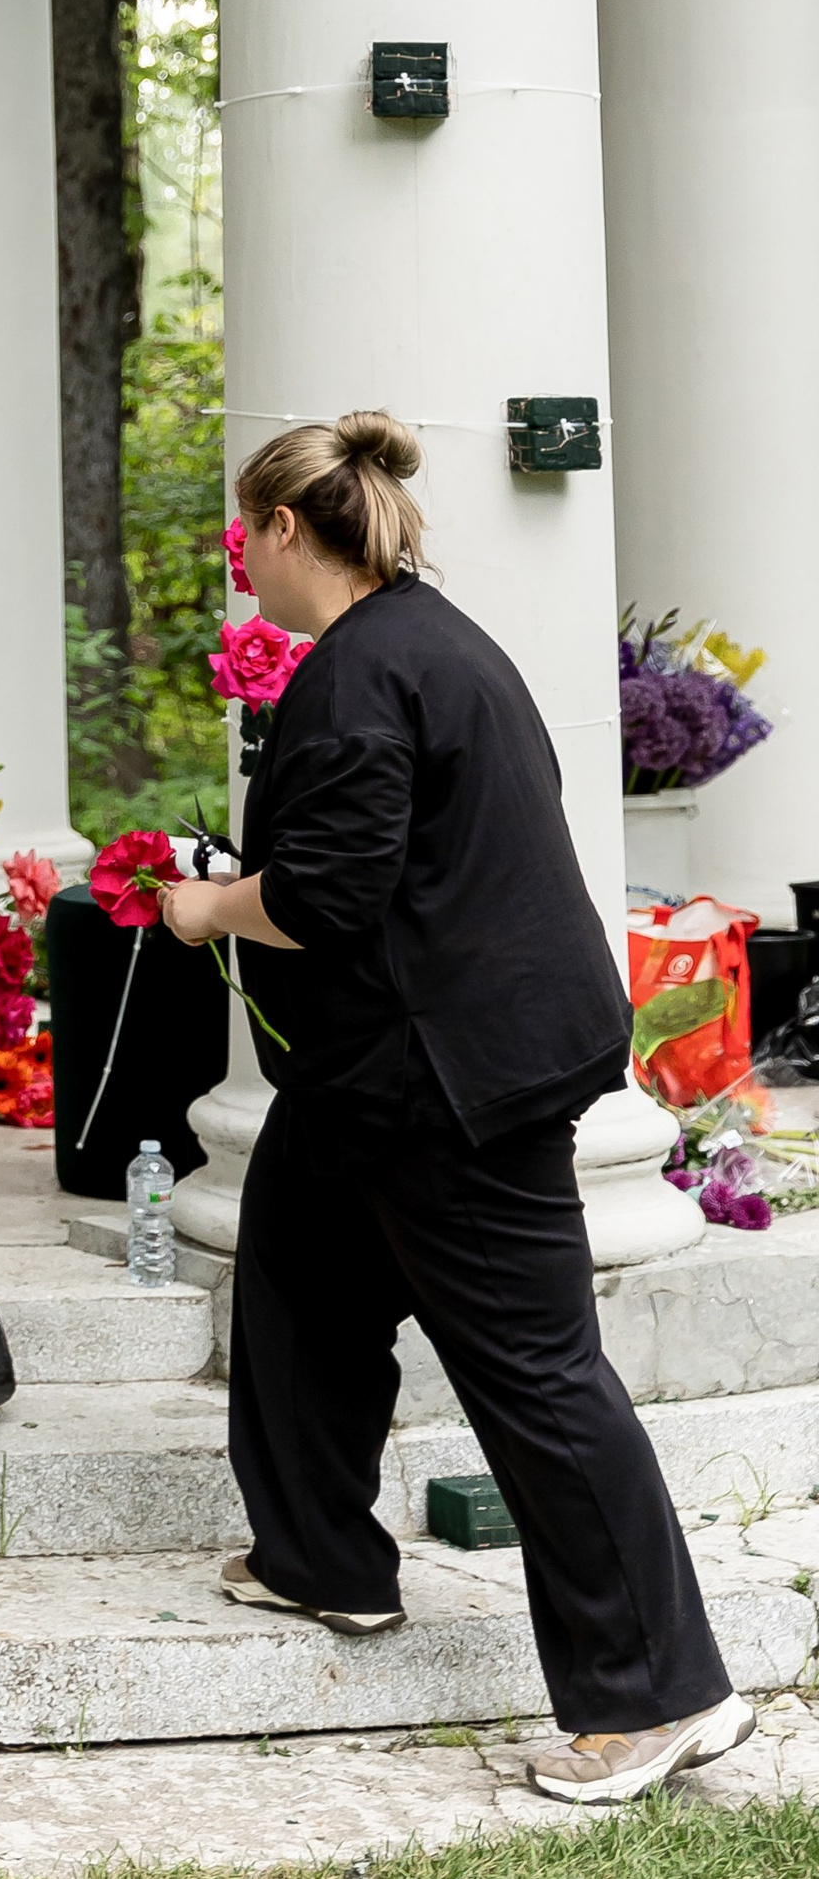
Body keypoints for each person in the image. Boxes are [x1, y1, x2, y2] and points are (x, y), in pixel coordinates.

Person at [162, 412, 749, 1808]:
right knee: (297, 1278)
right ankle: (321, 1557)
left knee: (539, 1382)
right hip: (377, 1071)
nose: (243, 562)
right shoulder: (430, 640)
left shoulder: (363, 677)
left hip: (454, 1082)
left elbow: (322, 895)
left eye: (250, 534)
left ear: (291, 528)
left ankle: (663, 1694)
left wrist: (201, 906)